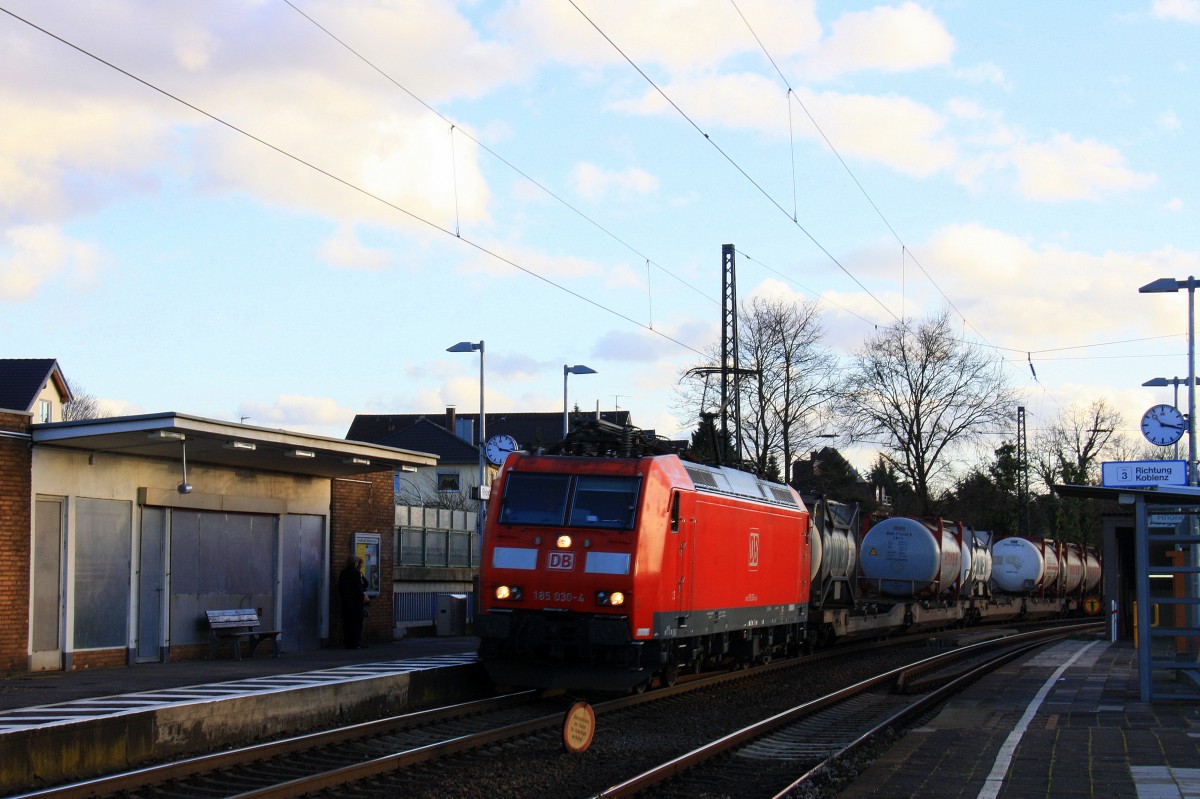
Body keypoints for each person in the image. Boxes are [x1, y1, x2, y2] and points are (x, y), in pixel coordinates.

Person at [338, 555, 367, 649]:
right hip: (356, 603)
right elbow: (361, 587)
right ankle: (356, 642)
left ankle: (348, 642)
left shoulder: (343, 573)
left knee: (347, 623)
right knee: (357, 623)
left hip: (346, 602)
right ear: (356, 563)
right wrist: (363, 596)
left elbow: (340, 587)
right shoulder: (356, 573)